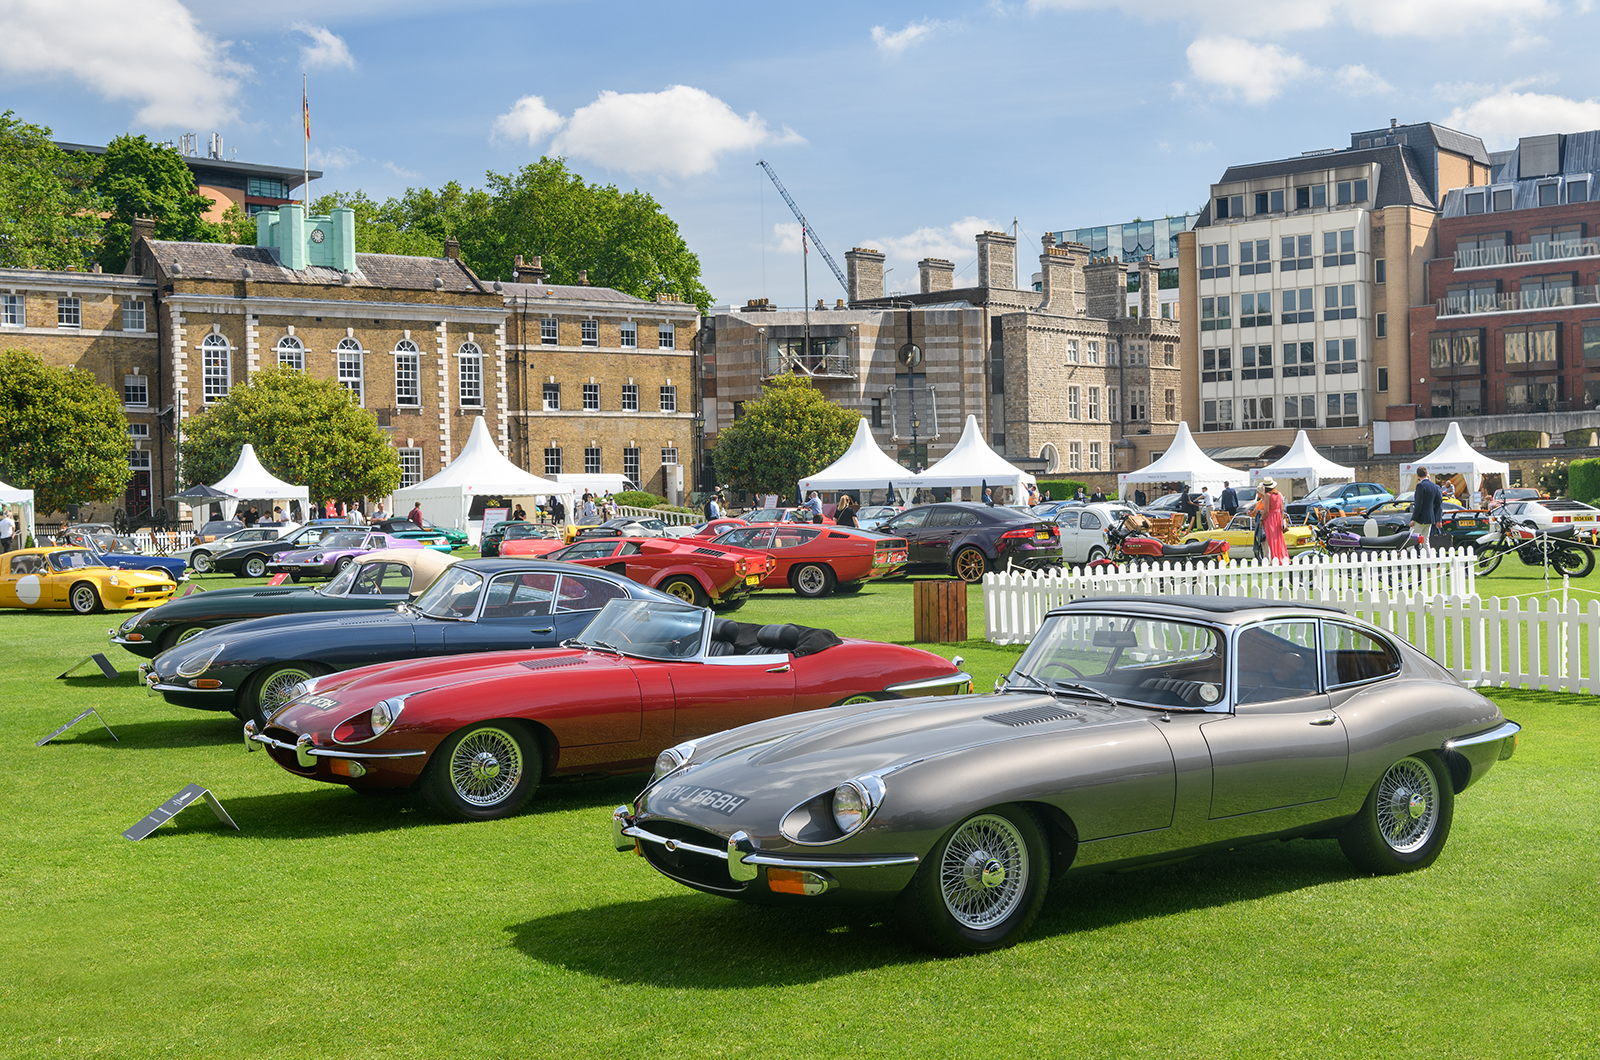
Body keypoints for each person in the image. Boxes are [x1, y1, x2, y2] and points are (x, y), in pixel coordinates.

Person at [1411, 466, 1443, 544]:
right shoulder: (1434, 486)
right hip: (1430, 518)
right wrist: (1433, 514)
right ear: (1427, 473)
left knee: (1411, 538)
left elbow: (1418, 504)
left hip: (1421, 518)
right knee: (1425, 541)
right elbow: (1438, 503)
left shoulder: (1420, 486)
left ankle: (1410, 554)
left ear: (1417, 475)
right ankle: (1428, 556)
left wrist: (1413, 519)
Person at [1261, 478, 1289, 562]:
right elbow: (1282, 508)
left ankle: (1274, 559)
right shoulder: (1280, 494)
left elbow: (1266, 510)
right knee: (1279, 539)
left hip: (1270, 518)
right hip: (1278, 517)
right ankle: (1282, 557)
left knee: (1271, 540)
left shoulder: (1267, 495)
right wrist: (1281, 518)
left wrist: (1262, 519)